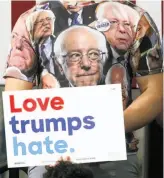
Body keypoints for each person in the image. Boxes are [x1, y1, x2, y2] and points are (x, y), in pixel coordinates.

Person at [4, 1, 163, 178]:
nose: (86, 64)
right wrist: (44, 139)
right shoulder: (33, 20)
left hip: (114, 157)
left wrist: (99, 130)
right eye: (74, 56)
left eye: (95, 55)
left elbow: (156, 93)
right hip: (51, 157)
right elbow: (15, 98)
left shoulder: (133, 17)